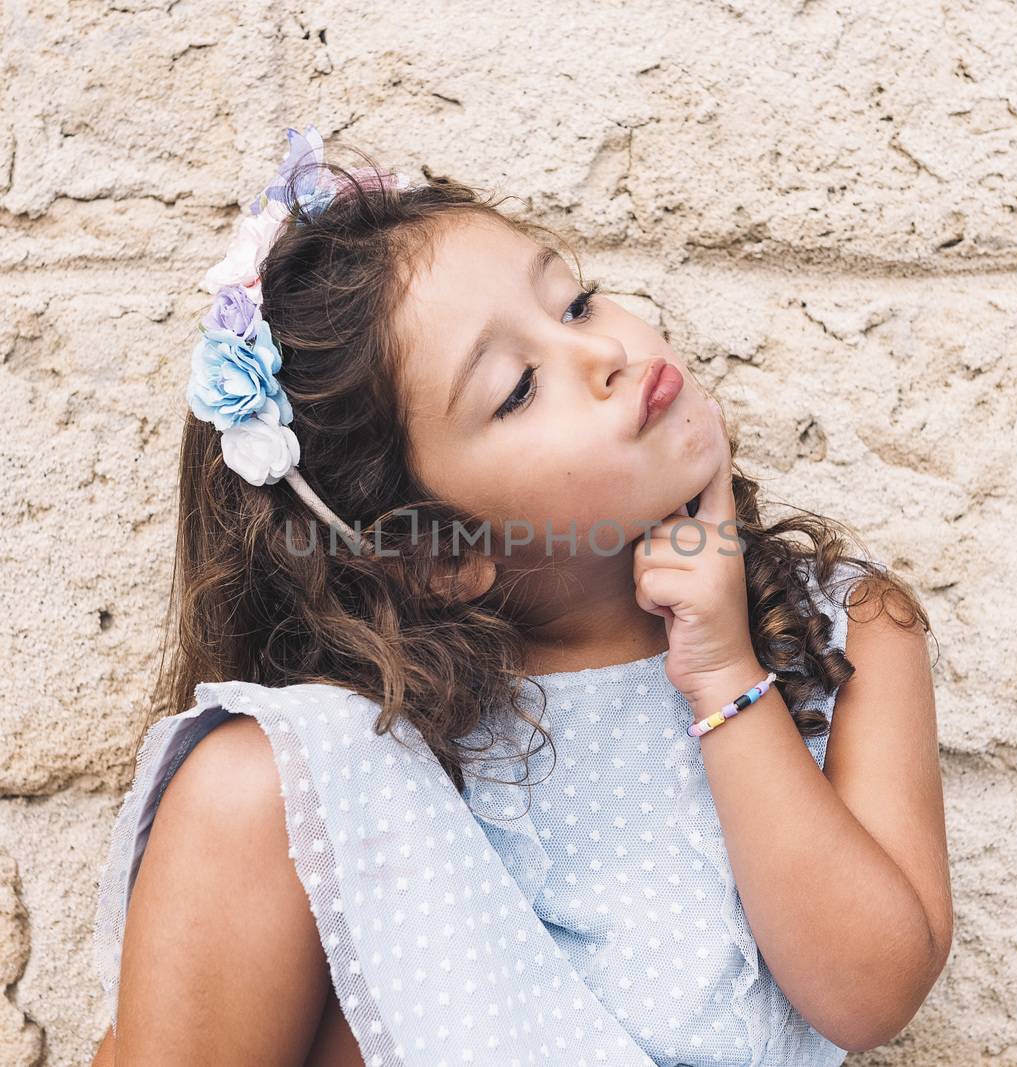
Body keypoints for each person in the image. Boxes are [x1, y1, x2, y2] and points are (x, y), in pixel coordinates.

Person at [87, 126, 950, 1066]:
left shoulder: (848, 629)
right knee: (252, 777)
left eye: (575, 302)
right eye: (518, 388)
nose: (605, 352)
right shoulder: (375, 757)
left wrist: (724, 675)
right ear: (436, 556)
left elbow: (871, 999)